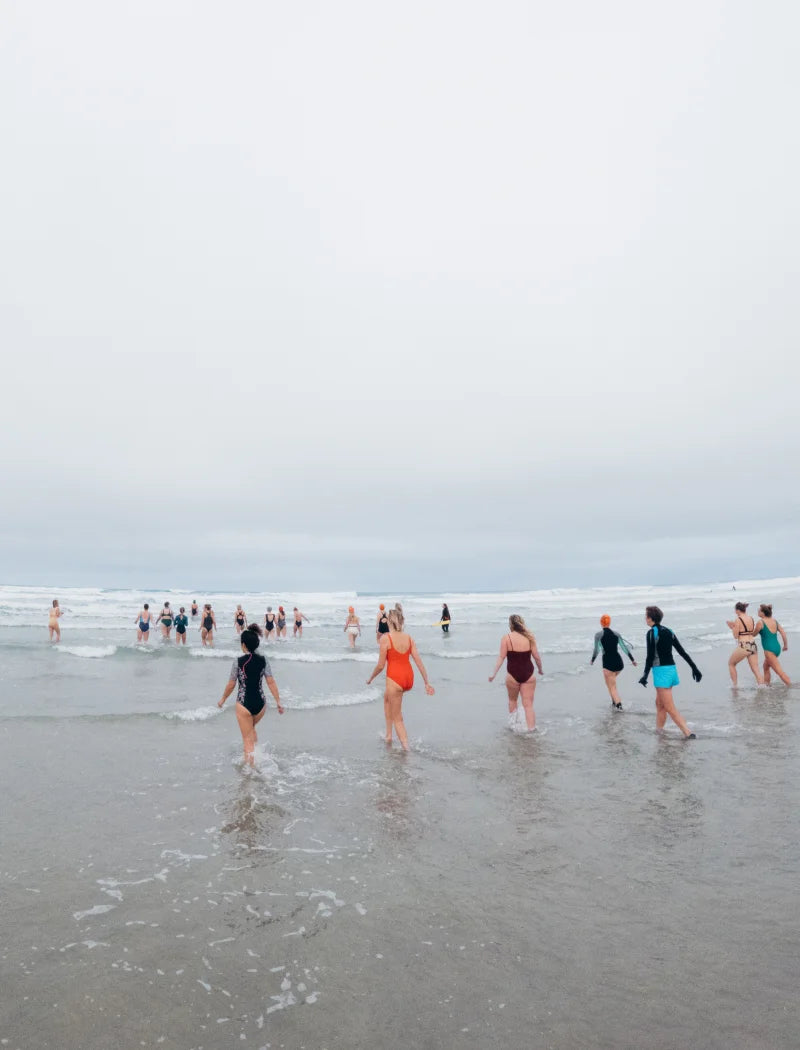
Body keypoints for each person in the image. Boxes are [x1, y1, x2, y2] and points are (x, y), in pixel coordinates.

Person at [366, 604, 434, 750]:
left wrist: (370, 678)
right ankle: (388, 735)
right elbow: (419, 662)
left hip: (395, 679)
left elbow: (380, 666)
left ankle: (406, 750)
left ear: (389, 621)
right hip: (408, 678)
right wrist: (426, 682)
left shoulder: (386, 639)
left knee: (398, 718)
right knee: (386, 698)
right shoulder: (409, 638)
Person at [217, 624, 284, 766]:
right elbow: (271, 682)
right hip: (261, 705)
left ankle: (250, 774)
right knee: (251, 730)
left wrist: (223, 699)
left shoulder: (238, 661)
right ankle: (256, 757)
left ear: (243, 645)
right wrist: (278, 701)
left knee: (246, 739)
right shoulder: (263, 660)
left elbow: (231, 684)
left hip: (244, 704)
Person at [639, 606, 701, 739]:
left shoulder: (651, 633)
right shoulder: (669, 631)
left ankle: (687, 733)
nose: (645, 618)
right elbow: (681, 651)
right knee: (659, 704)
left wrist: (645, 675)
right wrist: (694, 667)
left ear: (650, 618)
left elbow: (650, 657)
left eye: (646, 616)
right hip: (671, 670)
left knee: (668, 706)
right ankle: (659, 731)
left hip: (661, 673)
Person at [489, 614, 544, 731]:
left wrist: (493, 674)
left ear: (510, 625)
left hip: (512, 675)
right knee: (528, 705)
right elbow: (537, 657)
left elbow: (501, 657)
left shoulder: (506, 638)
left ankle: (514, 728)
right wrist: (540, 669)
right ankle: (531, 731)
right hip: (528, 674)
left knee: (512, 701)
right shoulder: (530, 637)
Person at [591, 614, 637, 709]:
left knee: (612, 687)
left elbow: (597, 649)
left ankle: (619, 708)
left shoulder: (598, 635)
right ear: (609, 622)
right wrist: (632, 660)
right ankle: (614, 703)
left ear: (601, 623)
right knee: (609, 683)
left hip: (608, 663)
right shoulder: (616, 634)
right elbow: (624, 647)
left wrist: (593, 659)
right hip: (619, 663)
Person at [726, 602, 764, 685]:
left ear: (738, 610)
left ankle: (735, 687)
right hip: (753, 644)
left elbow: (735, 636)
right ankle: (762, 686)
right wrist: (734, 626)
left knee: (731, 664)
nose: (735, 612)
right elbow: (748, 631)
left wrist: (732, 627)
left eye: (735, 610)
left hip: (744, 645)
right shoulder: (751, 618)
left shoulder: (738, 619)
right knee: (756, 669)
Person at [756, 604, 791, 685]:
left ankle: (791, 686)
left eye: (759, 610)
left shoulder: (760, 622)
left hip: (769, 651)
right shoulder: (774, 621)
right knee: (766, 667)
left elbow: (753, 634)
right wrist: (785, 645)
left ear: (763, 613)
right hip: (777, 648)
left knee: (780, 673)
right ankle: (767, 685)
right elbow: (783, 632)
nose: (757, 611)